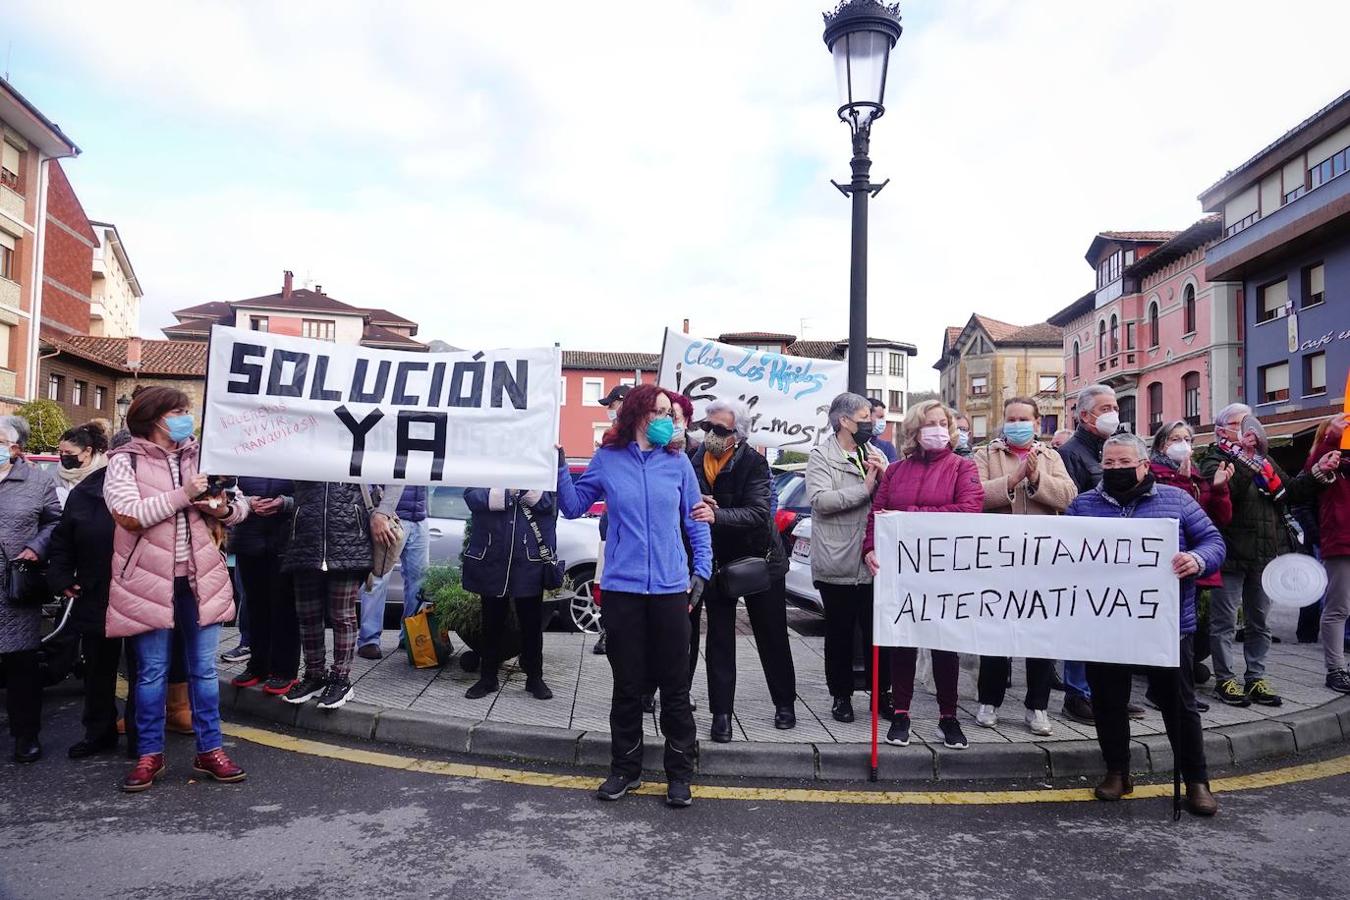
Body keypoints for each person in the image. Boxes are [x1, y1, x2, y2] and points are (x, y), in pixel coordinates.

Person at [555, 384, 711, 808]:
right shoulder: (608, 459)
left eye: (669, 412)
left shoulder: (677, 463)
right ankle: (625, 769)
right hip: (622, 590)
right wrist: (557, 464)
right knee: (627, 687)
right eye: (659, 411)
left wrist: (702, 570)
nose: (667, 418)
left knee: (675, 689)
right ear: (639, 415)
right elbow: (573, 506)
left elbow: (696, 520)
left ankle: (679, 775)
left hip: (669, 590)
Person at [1067, 432, 1226, 816]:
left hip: (1166, 625)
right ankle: (1118, 773)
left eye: (1125, 463)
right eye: (1109, 464)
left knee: (1178, 705)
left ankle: (1196, 781)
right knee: (1108, 702)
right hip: (1105, 623)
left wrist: (1197, 560)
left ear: (1143, 465)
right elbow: (1063, 553)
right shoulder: (1083, 505)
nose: (1116, 469)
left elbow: (1214, 541)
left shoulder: (1177, 500)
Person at [103, 388, 249, 791]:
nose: (186, 417)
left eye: (187, 411)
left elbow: (241, 507)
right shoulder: (124, 461)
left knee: (204, 672)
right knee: (150, 674)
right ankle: (150, 755)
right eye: (179, 411)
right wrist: (184, 494)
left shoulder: (203, 455)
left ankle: (210, 751)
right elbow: (130, 515)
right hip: (148, 582)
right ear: (153, 417)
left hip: (201, 579)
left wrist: (218, 508)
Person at [1200, 404, 1341, 707]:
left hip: (1265, 554)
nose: (1250, 427)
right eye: (1241, 423)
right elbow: (1224, 496)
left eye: (1252, 421)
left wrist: (1318, 471)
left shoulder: (1264, 462)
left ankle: (1256, 677)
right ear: (1223, 431)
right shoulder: (1215, 459)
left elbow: (1291, 492)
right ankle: (1225, 679)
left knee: (1259, 622)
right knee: (1224, 621)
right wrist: (1248, 461)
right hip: (1232, 553)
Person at [864, 400, 983, 749]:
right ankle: (901, 713)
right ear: (916, 431)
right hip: (903, 569)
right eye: (930, 423)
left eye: (943, 422)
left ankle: (948, 716)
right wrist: (869, 548)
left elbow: (969, 509)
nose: (938, 429)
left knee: (945, 644)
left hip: (946, 570)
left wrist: (908, 513)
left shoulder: (963, 467)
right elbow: (878, 514)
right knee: (902, 643)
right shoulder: (897, 470)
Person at [689, 398, 797, 741]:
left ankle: (785, 704)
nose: (710, 435)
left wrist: (716, 514)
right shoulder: (695, 459)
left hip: (759, 561)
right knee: (719, 640)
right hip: (718, 563)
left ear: (738, 434)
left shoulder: (754, 463)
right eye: (707, 427)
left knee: (772, 636)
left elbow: (758, 512)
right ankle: (721, 715)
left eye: (719, 429)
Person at [971, 397, 1077, 736]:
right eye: (1010, 417)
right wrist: (1012, 481)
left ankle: (1037, 707)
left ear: (1036, 423)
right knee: (996, 636)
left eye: (1023, 418)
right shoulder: (985, 455)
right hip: (998, 560)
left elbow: (1068, 496)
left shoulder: (1051, 456)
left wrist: (1036, 481)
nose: (1016, 423)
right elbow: (974, 495)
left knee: (1039, 637)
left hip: (1042, 561)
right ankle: (989, 700)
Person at [280, 480, 401, 711]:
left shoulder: (365, 444)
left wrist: (383, 512)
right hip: (306, 532)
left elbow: (398, 475)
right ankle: (314, 674)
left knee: (342, 614)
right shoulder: (306, 443)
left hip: (349, 532)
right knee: (308, 613)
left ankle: (340, 679)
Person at [806, 393, 890, 724]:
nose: (871, 423)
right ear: (844, 421)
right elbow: (820, 499)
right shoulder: (821, 456)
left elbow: (888, 497)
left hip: (872, 560)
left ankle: (881, 693)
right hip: (837, 561)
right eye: (865, 417)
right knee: (839, 635)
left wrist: (885, 478)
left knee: (876, 633)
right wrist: (865, 488)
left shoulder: (875, 453)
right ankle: (841, 696)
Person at [46, 428, 130, 758]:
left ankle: (142, 736)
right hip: (95, 590)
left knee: (143, 671)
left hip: (141, 593)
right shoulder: (88, 491)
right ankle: (98, 732)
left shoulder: (155, 491)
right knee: (98, 669)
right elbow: (63, 538)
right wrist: (62, 577)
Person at [1148, 420, 1234, 699]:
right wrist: (1183, 483)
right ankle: (1163, 689)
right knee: (1165, 627)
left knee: (1184, 629)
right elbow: (1170, 514)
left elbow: (1216, 520)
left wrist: (1219, 490)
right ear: (1162, 444)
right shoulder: (1152, 474)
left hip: (1191, 564)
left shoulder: (1196, 475)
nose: (1183, 444)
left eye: (1187, 439)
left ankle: (1176, 687)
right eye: (1175, 438)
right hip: (1162, 565)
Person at [1053, 383, 1121, 724]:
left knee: (1108, 626)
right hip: (1084, 550)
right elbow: (1071, 504)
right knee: (1082, 624)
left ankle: (1105, 694)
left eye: (1115, 407)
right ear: (1084, 415)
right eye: (1105, 407)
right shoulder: (1071, 453)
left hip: (1114, 550)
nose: (1113, 413)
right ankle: (1077, 694)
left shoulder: (1113, 448)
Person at [0, 416, 62, 763]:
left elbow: (54, 521)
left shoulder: (37, 480)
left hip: (15, 584)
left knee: (22, 665)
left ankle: (26, 735)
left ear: (15, 447)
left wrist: (37, 547)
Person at [461, 486, 559, 701]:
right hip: (493, 554)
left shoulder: (542, 466)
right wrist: (507, 491)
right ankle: (488, 677)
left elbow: (549, 504)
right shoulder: (490, 463)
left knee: (531, 623)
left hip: (529, 558)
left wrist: (523, 489)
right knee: (491, 621)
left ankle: (535, 677)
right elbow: (471, 496)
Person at [228, 477, 299, 695]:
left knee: (285, 606)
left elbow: (311, 495)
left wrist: (284, 503)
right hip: (249, 534)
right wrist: (248, 502)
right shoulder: (245, 449)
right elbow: (228, 489)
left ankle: (285, 671)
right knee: (255, 604)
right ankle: (258, 665)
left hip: (288, 534)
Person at [357, 484, 430, 660]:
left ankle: (410, 635)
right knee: (378, 578)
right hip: (390, 517)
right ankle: (368, 640)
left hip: (419, 517)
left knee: (418, 582)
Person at [591, 384, 632, 657]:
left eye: (611, 404)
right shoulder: (610, 438)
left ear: (623, 403)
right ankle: (608, 630)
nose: (608, 411)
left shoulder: (645, 438)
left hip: (629, 520)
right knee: (606, 577)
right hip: (610, 517)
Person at [1309, 415, 1350, 693]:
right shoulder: (1329, 462)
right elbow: (1313, 470)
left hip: (1340, 539)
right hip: (1340, 542)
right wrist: (1331, 439)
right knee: (1338, 608)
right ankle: (1336, 669)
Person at [54, 422, 109, 507]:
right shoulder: (58, 474)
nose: (64, 456)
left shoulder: (103, 474)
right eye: (61, 452)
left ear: (88, 451)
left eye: (69, 452)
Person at [867, 397, 898, 463]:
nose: (883, 421)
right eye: (880, 417)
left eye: (883, 418)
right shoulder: (854, 446)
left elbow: (894, 472)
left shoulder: (887, 447)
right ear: (867, 417)